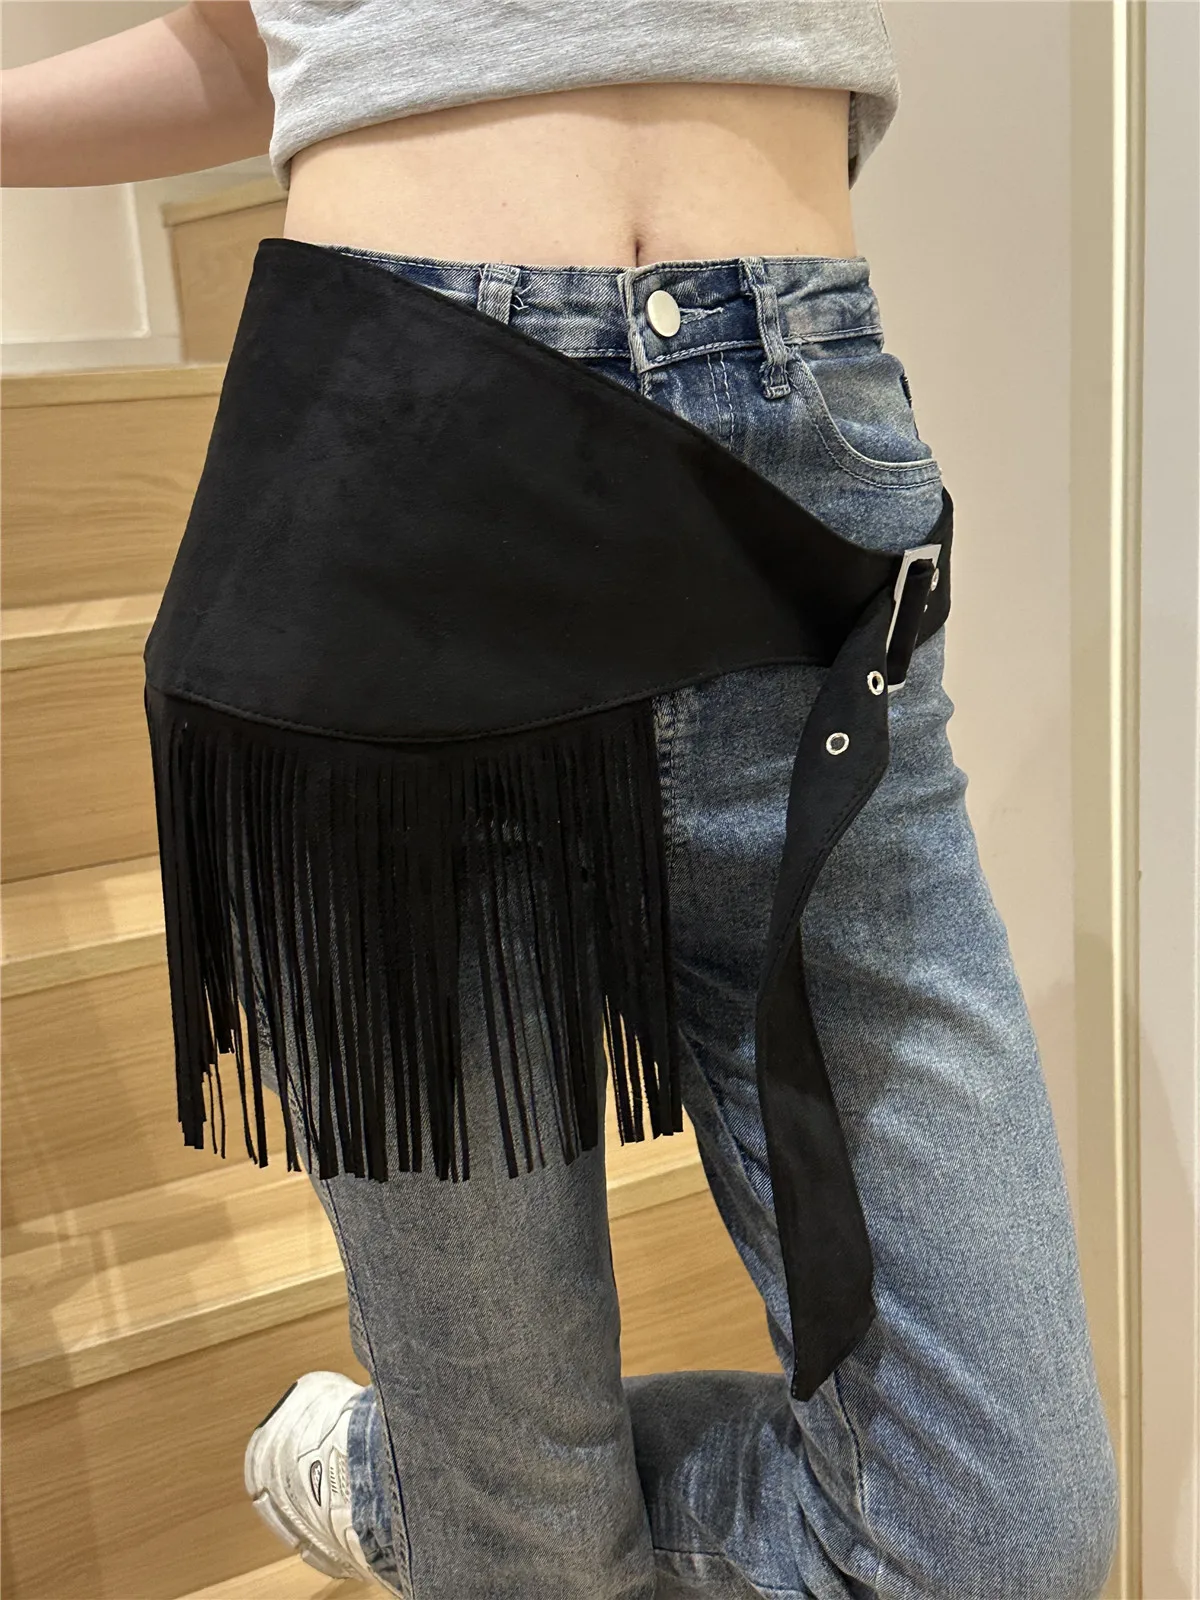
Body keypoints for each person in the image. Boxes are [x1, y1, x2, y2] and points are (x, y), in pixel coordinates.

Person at [3, 5, 1120, 1596]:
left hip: (795, 491)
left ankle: (415, 1483)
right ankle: (474, 1495)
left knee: (1001, 1543)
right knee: (533, 1558)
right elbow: (249, 44)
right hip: (395, 489)